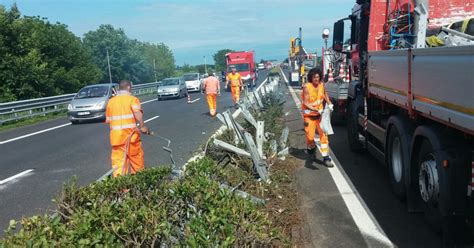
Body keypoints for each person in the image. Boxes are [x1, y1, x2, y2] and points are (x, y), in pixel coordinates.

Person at [105, 80, 149, 177]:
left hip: (117, 139)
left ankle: (121, 189)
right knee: (137, 162)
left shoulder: (111, 102)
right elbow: (137, 113)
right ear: (129, 87)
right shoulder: (132, 99)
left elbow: (108, 120)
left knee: (119, 165)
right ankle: (139, 184)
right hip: (131, 137)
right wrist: (142, 126)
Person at [301, 68, 334, 167]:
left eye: (318, 77)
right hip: (309, 116)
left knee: (324, 137)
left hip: (320, 116)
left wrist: (329, 104)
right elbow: (306, 103)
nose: (316, 79)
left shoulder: (321, 85)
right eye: (314, 77)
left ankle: (326, 158)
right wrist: (315, 109)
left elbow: (325, 94)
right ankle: (312, 151)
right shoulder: (307, 87)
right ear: (311, 77)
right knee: (310, 138)